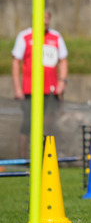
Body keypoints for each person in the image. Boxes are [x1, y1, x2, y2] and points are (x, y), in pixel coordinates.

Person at [11, 9, 68, 159]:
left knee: (50, 124)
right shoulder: (24, 36)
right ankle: (24, 158)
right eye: (42, 17)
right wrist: (17, 88)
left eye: (47, 17)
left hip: (51, 90)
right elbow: (16, 62)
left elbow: (63, 60)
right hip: (30, 90)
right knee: (28, 124)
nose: (45, 21)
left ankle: (49, 158)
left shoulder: (56, 37)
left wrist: (62, 82)